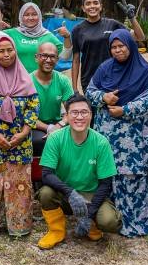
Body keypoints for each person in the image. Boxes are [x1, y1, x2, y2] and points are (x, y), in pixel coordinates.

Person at [86, 29, 148, 238]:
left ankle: (136, 222)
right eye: (114, 47)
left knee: (132, 178)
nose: (118, 50)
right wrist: (104, 97)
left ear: (131, 45)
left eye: (122, 46)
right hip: (108, 136)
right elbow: (90, 92)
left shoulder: (144, 70)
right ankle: (110, 221)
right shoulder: (104, 68)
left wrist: (125, 110)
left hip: (133, 137)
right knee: (108, 175)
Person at [0, 36, 40, 239]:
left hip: (20, 143)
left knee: (20, 185)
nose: (6, 54)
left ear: (15, 51)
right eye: (1, 51)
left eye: (9, 50)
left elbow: (33, 107)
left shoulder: (24, 79)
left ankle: (19, 226)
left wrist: (24, 133)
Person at [37, 95, 122, 249]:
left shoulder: (101, 142)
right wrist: (70, 193)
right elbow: (46, 174)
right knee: (45, 193)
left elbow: (106, 183)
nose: (79, 117)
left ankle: (92, 224)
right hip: (65, 193)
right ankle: (56, 231)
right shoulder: (55, 138)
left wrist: (89, 214)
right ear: (67, 116)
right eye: (74, 113)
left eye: (84, 112)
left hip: (91, 194)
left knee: (110, 221)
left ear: (91, 115)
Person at [70, 0, 145, 93]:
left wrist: (132, 18)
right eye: (88, 4)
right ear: (83, 8)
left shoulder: (112, 25)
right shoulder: (77, 30)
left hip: (114, 78)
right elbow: (75, 60)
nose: (92, 6)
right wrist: (74, 89)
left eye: (95, 3)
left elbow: (140, 37)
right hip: (89, 80)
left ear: (101, 6)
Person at [30, 41, 74, 188]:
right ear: (36, 57)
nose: (48, 60)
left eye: (52, 56)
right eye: (44, 56)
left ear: (57, 59)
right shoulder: (27, 81)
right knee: (40, 141)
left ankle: (70, 181)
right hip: (34, 125)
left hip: (57, 124)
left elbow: (72, 109)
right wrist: (48, 128)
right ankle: (38, 180)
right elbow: (25, 115)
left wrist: (59, 125)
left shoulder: (62, 80)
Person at [4, 2, 71, 74]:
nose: (30, 18)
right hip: (17, 79)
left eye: (34, 14)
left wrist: (67, 37)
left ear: (39, 16)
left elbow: (65, 56)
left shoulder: (47, 36)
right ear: (21, 17)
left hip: (40, 79)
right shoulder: (12, 34)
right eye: (26, 15)